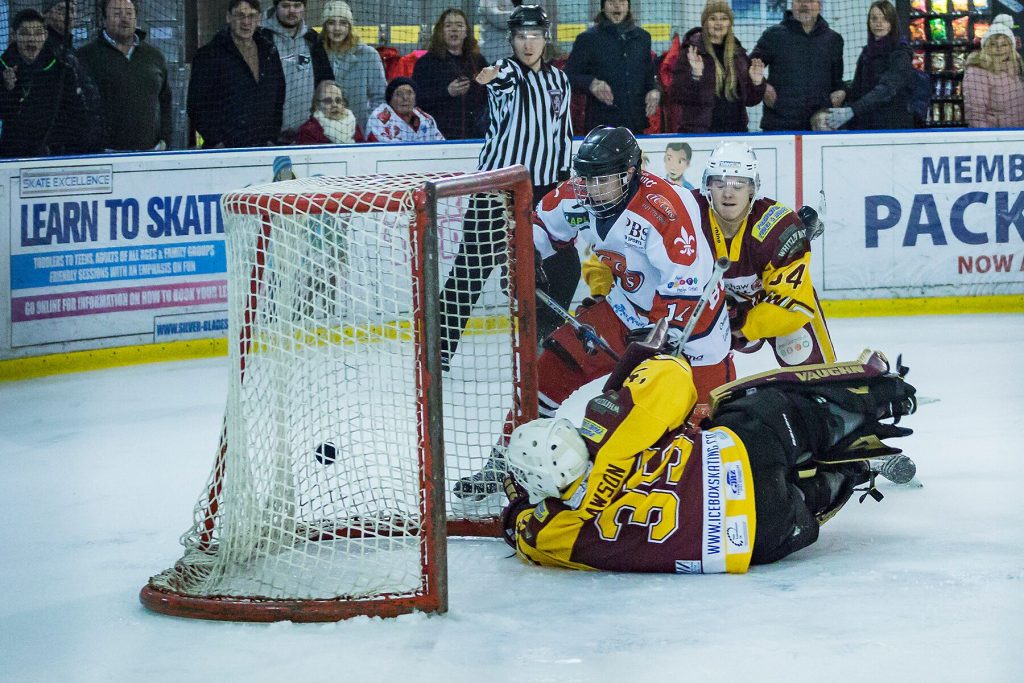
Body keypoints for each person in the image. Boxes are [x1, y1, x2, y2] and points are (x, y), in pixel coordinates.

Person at [452, 126, 733, 501]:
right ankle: (505, 459)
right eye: (586, 177)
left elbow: (686, 290)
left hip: (693, 326)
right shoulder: (579, 196)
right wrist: (524, 258)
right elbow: (537, 227)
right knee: (552, 365)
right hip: (626, 309)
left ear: (630, 174)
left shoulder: (665, 207)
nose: (590, 188)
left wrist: (656, 342)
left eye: (602, 179)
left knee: (702, 427)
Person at [501, 342, 919, 572]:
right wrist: (630, 370)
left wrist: (520, 500)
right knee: (754, 407)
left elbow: (519, 528)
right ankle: (878, 399)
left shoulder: (551, 530)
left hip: (756, 538)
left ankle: (855, 472)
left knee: (806, 498)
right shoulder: (609, 431)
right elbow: (675, 374)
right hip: (747, 452)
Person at [439, 5, 575, 366]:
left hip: (545, 190)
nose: (527, 43)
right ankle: (437, 352)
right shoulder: (509, 72)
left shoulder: (560, 81)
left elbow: (562, 135)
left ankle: (544, 340)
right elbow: (500, 78)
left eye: (534, 35)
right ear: (511, 40)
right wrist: (490, 76)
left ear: (546, 38)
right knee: (470, 271)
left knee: (565, 266)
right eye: (520, 36)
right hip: (497, 190)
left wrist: (565, 183)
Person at [187, 0, 286, 149]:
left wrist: (272, 137)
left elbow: (279, 95)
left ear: (258, 19)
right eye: (240, 15)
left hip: (263, 146)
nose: (246, 22)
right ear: (228, 17)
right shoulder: (209, 54)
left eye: (252, 16)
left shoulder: (269, 51)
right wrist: (216, 142)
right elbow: (196, 105)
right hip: (225, 150)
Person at [77, 0, 172, 151]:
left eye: (129, 13)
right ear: (104, 20)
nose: (124, 18)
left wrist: (165, 139)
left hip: (150, 153)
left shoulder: (154, 56)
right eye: (117, 13)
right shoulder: (85, 56)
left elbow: (166, 101)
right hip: (103, 155)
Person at [0, 8, 96, 157]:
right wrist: (9, 89)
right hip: (12, 155)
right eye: (25, 33)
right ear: (14, 36)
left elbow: (75, 113)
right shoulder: (3, 68)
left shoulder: (61, 69)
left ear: (45, 36)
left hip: (52, 154)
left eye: (38, 33)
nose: (32, 39)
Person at [669, 0, 766, 134]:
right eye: (713, 18)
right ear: (705, 22)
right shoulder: (691, 51)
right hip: (700, 133)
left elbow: (750, 100)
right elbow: (677, 94)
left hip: (736, 133)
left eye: (724, 18)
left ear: (730, 23)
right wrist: (695, 76)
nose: (718, 23)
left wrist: (756, 83)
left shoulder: (739, 54)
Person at [564, 0, 660, 134]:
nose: (617, 5)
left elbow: (649, 76)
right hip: (601, 127)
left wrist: (654, 90)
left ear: (628, 5)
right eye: (611, 1)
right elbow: (567, 77)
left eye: (622, 1)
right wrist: (591, 83)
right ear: (603, 6)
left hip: (636, 125)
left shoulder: (643, 38)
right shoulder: (587, 39)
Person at [751, 0, 844, 132]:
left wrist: (842, 91)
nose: (804, 5)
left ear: (820, 6)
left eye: (810, 1)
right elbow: (748, 66)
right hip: (779, 125)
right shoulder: (773, 35)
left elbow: (837, 81)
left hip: (818, 128)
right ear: (792, 5)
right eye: (799, 1)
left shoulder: (834, 40)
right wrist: (763, 86)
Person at [825, 1, 913, 131]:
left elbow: (887, 89)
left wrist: (853, 110)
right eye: (874, 18)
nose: (879, 23)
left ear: (892, 23)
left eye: (885, 19)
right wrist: (843, 93)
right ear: (869, 22)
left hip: (893, 126)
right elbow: (858, 88)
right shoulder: (867, 52)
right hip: (867, 125)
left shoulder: (900, 53)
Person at [412, 8, 488, 140]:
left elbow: (489, 96)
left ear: (466, 32)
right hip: (438, 136)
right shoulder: (426, 63)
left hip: (475, 136)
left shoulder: (478, 61)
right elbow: (417, 100)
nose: (454, 29)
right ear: (440, 32)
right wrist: (447, 92)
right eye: (448, 26)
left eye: (459, 25)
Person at [263, 0, 333, 142]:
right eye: (286, 6)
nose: (292, 11)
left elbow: (326, 81)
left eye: (297, 6)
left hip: (307, 135)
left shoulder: (312, 39)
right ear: (276, 7)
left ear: (304, 8)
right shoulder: (262, 37)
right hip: (270, 137)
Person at [319, 0, 386, 135]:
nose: (337, 28)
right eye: (331, 23)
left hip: (359, 132)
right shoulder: (317, 54)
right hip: (323, 131)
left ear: (350, 26)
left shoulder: (368, 55)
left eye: (343, 23)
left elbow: (379, 97)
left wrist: (368, 124)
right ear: (325, 27)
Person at [963, 14, 1024, 129]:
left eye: (1004, 44)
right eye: (993, 44)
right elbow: (975, 114)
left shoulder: (1016, 67)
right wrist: (987, 140)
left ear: (1011, 47)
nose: (999, 48)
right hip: (995, 139)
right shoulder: (977, 71)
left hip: (1017, 137)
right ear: (985, 46)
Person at [363, 76, 444, 142]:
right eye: (398, 94)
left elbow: (441, 146)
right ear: (390, 99)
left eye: (409, 93)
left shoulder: (427, 119)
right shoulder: (379, 118)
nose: (405, 98)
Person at [294, 79, 357, 144]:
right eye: (328, 101)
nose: (334, 105)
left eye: (338, 100)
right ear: (317, 106)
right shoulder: (308, 131)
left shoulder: (354, 126)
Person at [477, 0, 522, 64]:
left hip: (510, 52)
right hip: (491, 54)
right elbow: (500, 20)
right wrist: (522, 13)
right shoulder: (486, 1)